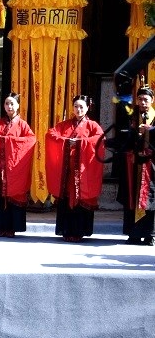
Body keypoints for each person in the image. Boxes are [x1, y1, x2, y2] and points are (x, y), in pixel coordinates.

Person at [45, 94, 105, 243]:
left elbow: (99, 139)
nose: (78, 110)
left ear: (87, 108)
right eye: (76, 106)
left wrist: (78, 143)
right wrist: (66, 142)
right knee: (66, 200)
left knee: (80, 200)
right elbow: (51, 134)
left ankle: (80, 231)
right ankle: (66, 230)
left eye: (81, 107)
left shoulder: (92, 126)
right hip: (67, 171)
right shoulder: (64, 125)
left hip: (83, 171)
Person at [0, 93, 36, 238]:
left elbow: (30, 140)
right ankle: (0, 226)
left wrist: (9, 142)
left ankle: (12, 227)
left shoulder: (23, 124)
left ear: (18, 106)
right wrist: (0, 140)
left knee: (14, 195)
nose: (9, 106)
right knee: (0, 197)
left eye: (12, 103)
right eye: (6, 103)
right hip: (0, 169)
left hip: (14, 168)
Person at [118, 86, 155, 245]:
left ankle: (150, 234)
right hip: (133, 165)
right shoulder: (131, 115)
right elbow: (122, 134)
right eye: (140, 99)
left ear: (152, 100)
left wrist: (151, 129)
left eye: (146, 99)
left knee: (150, 199)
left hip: (151, 164)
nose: (142, 102)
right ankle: (133, 233)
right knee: (132, 197)